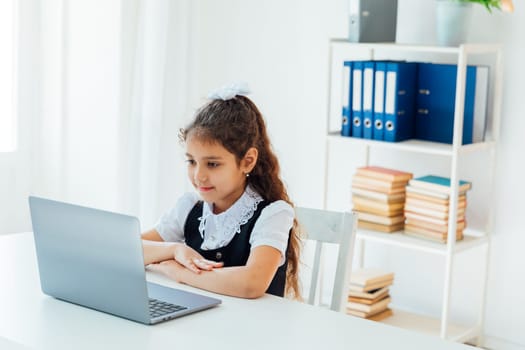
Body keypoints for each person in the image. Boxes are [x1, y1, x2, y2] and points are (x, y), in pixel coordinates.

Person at [141, 84, 301, 300]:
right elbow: (129, 247)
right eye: (191, 161)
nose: (199, 175)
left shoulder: (274, 214)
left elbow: (251, 283)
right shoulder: (190, 207)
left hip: (255, 328)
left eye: (213, 164)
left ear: (247, 161)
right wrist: (174, 250)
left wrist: (180, 273)